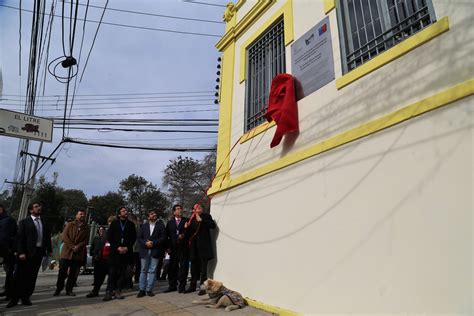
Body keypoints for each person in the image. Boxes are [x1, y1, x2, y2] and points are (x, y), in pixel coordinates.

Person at [7, 202, 52, 308]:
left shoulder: (44, 222)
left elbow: (47, 237)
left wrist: (49, 250)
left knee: (32, 277)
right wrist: (21, 252)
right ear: (31, 210)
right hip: (26, 254)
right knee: (19, 276)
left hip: (38, 253)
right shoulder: (24, 222)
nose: (39, 208)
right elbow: (19, 239)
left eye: (39, 206)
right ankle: (14, 299)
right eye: (36, 207)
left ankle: (25, 297)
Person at [103, 207, 136, 301]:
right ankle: (109, 291)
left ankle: (118, 290)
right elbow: (110, 237)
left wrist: (127, 247)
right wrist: (117, 247)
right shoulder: (114, 224)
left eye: (126, 211)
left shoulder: (131, 224)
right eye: (123, 211)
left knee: (122, 273)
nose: (126, 212)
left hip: (126, 252)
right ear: (119, 214)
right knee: (112, 272)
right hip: (115, 252)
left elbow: (133, 238)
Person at [54, 209, 90, 296]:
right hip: (67, 253)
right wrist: (72, 246)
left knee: (73, 274)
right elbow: (65, 236)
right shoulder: (70, 225)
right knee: (62, 273)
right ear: (76, 215)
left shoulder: (86, 227)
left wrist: (78, 246)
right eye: (80, 214)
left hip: (77, 254)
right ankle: (58, 289)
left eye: (83, 214)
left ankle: (69, 290)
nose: (82, 215)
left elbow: (86, 240)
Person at [185, 204, 216, 295]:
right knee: (194, 268)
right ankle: (192, 286)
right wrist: (186, 228)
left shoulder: (206, 216)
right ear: (193, 210)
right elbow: (188, 235)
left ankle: (203, 288)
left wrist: (201, 220)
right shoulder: (190, 219)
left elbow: (212, 225)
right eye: (197, 207)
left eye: (200, 207)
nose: (199, 207)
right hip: (194, 248)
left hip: (204, 247)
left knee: (203, 269)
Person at [136, 210, 165, 297]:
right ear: (148, 217)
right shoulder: (144, 226)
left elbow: (163, 237)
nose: (154, 214)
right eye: (152, 214)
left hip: (155, 250)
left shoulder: (160, 226)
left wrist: (153, 242)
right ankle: (142, 289)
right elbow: (139, 237)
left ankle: (149, 289)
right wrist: (146, 242)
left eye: (155, 213)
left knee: (153, 270)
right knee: (143, 270)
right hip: (144, 250)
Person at [164, 204, 189, 293]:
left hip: (183, 248)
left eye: (181, 209)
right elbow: (166, 236)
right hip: (173, 248)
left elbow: (190, 233)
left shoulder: (186, 221)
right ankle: (172, 285)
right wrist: (167, 247)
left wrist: (186, 231)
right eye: (177, 209)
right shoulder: (170, 222)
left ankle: (182, 286)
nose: (180, 210)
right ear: (174, 212)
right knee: (172, 267)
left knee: (183, 267)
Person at [0, 204, 17, 300]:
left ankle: (8, 291)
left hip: (6, 251)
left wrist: (12, 249)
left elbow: (14, 236)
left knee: (9, 272)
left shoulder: (9, 220)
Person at [86, 225, 108, 297]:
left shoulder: (106, 238)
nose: (101, 230)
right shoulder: (96, 238)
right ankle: (95, 288)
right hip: (97, 258)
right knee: (97, 274)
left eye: (102, 229)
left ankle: (98, 289)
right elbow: (92, 247)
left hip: (103, 258)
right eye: (100, 229)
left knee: (101, 275)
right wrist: (93, 254)